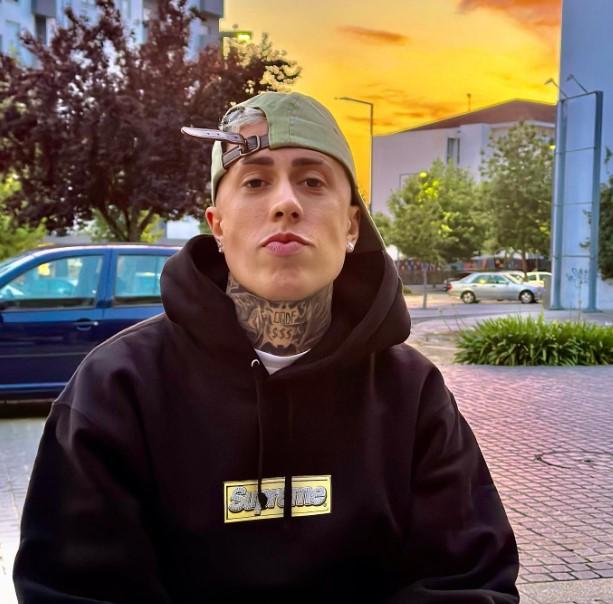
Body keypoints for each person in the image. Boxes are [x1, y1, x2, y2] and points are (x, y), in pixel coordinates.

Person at [14, 92, 519, 602]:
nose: (286, 203)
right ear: (217, 225)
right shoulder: (116, 389)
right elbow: (75, 589)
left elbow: (468, 581)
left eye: (313, 181)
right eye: (255, 182)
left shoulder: (412, 392)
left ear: (351, 225)